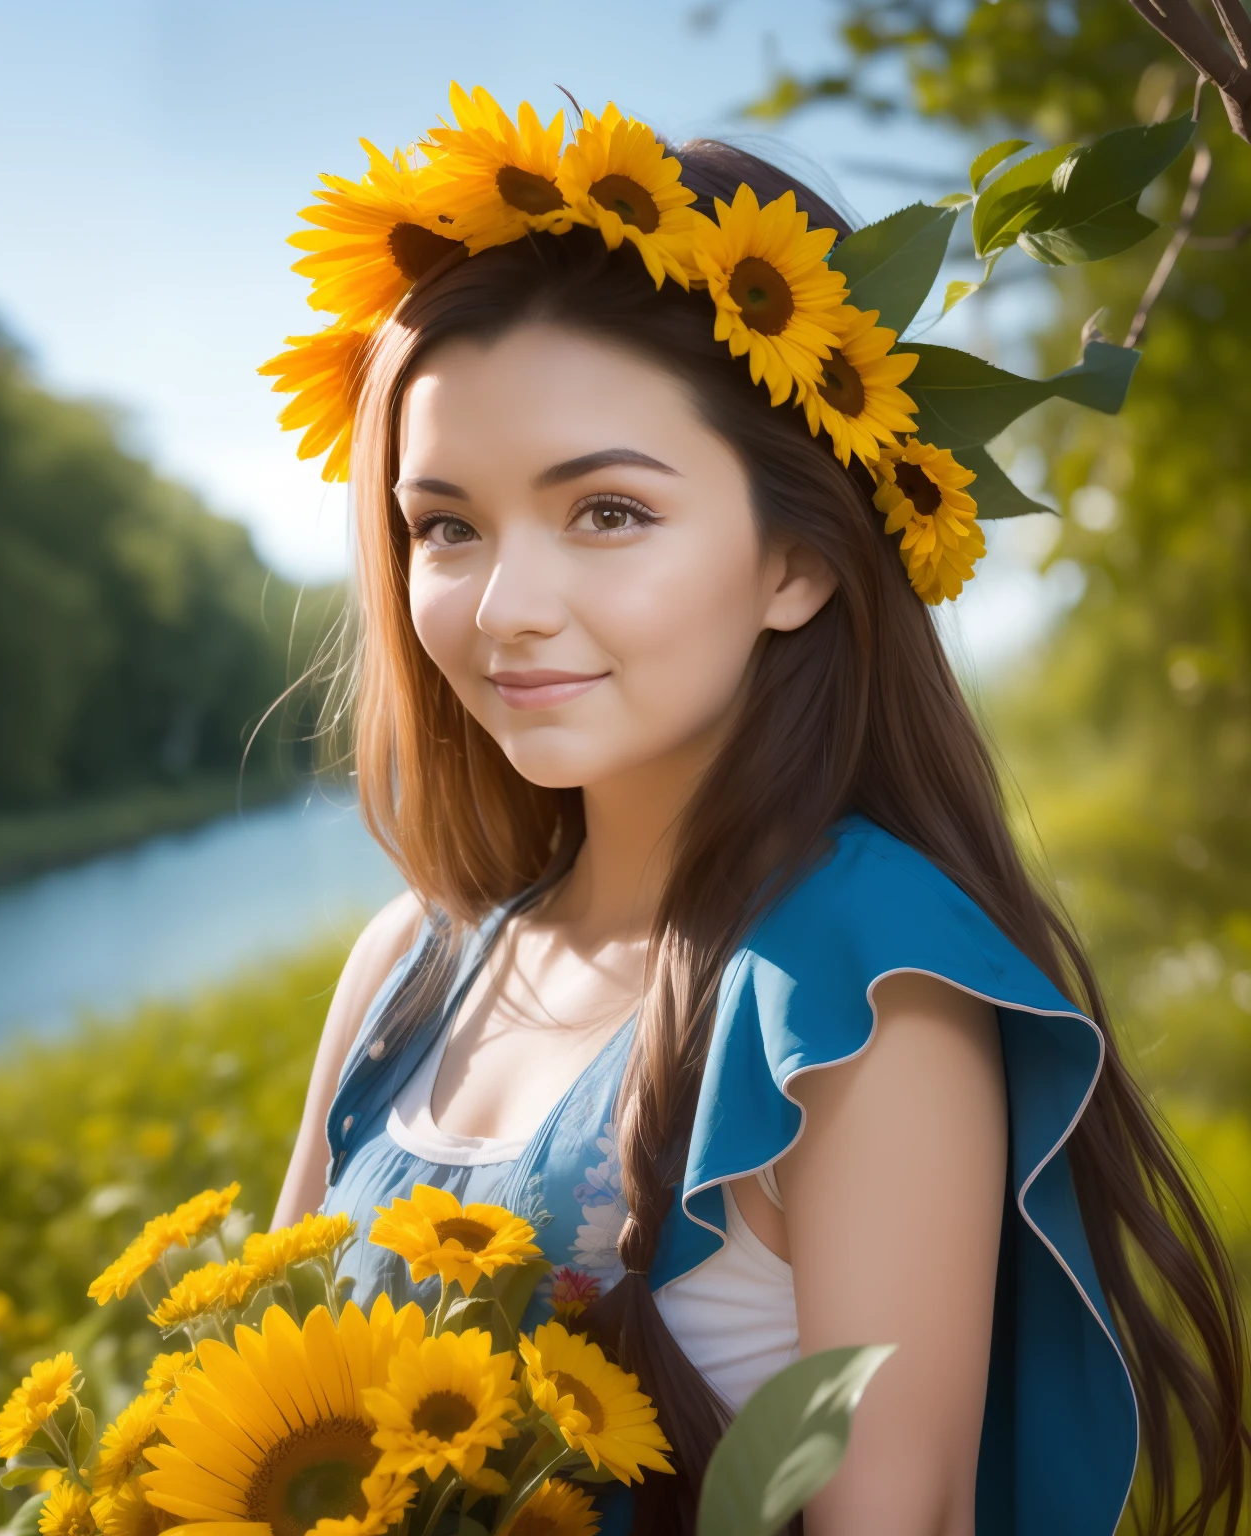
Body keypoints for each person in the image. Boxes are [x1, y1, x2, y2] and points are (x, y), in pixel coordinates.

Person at [266, 91, 1247, 1535]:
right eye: (446, 526)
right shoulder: (404, 968)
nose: (503, 609)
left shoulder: (860, 994)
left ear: (797, 561)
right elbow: (243, 1400)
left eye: (607, 511)